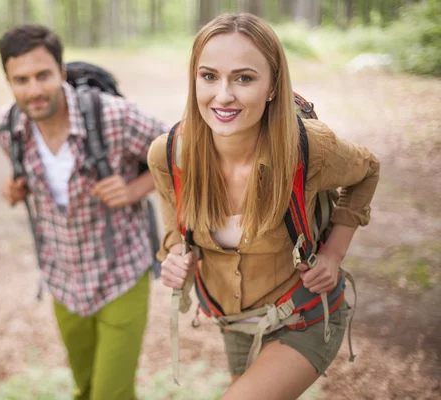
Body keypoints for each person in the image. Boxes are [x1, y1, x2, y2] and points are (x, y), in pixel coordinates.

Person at [148, 13, 380, 400]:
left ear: (273, 86)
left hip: (306, 314)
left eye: (244, 78)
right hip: (235, 326)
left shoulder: (309, 147)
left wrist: (333, 254)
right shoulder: (170, 153)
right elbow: (176, 227)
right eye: (209, 76)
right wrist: (174, 254)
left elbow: (368, 170)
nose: (223, 95)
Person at [0, 25, 168, 400]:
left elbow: (180, 150)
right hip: (63, 279)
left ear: (61, 71)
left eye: (43, 75)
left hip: (121, 271)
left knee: (111, 394)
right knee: (85, 388)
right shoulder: (10, 127)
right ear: (9, 81)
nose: (34, 90)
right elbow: (29, 177)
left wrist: (134, 190)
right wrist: (15, 188)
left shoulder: (113, 117)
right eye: (20, 80)